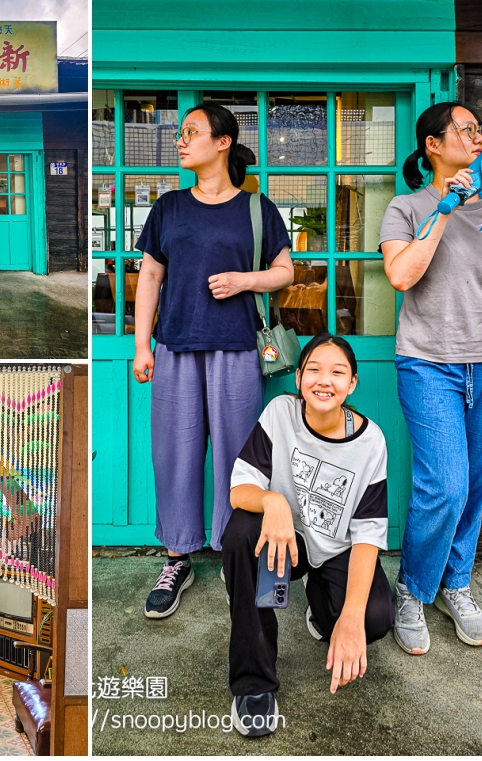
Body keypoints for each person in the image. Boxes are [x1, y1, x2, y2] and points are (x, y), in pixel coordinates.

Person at [379, 101, 482, 654]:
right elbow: (401, 275)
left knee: (477, 480)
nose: (477, 138)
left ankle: (456, 583)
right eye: (466, 129)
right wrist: (445, 208)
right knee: (444, 484)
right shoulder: (406, 207)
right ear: (433, 145)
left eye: (479, 131)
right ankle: (413, 588)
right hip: (427, 362)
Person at [131, 101, 293, 619]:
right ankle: (177, 558)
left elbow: (285, 271)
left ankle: (232, 555)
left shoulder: (257, 208)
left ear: (223, 142)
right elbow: (150, 276)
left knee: (236, 458)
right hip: (175, 347)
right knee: (174, 455)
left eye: (191, 132)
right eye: (180, 133)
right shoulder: (169, 207)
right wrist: (141, 345)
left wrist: (245, 280)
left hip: (238, 348)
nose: (180, 140)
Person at [223, 335, 393, 736]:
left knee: (374, 617)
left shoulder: (371, 442)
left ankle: (322, 611)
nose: (324, 380)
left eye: (337, 372)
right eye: (314, 370)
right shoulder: (280, 414)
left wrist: (350, 618)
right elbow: (239, 489)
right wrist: (273, 501)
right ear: (298, 378)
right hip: (286, 540)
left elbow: (368, 535)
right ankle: (254, 683)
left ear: (352, 383)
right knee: (242, 534)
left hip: (336, 548)